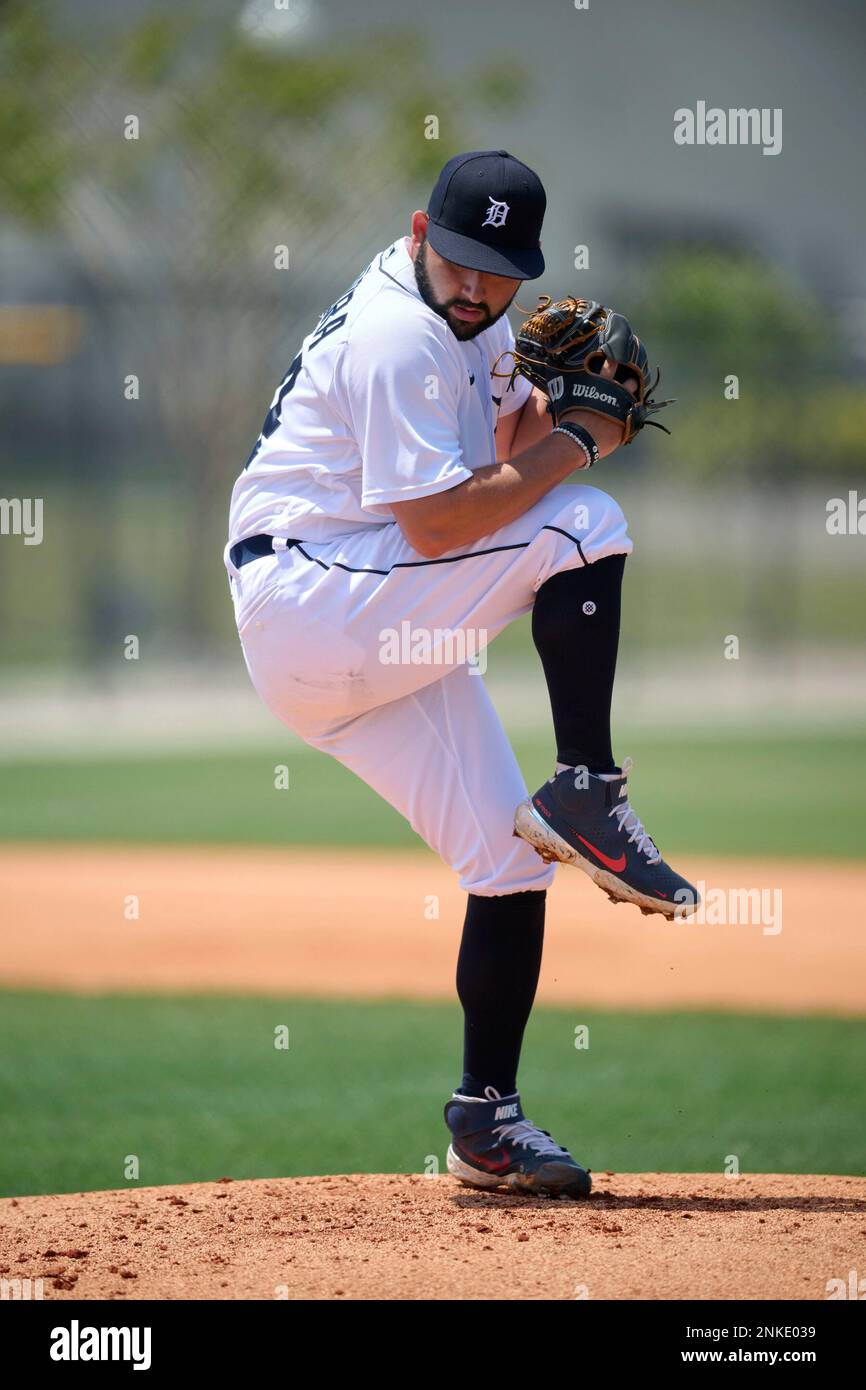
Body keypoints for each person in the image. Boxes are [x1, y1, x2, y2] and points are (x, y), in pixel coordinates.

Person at [225, 150, 698, 1198]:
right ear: (416, 232)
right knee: (583, 524)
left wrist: (550, 406)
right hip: (316, 601)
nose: (479, 285)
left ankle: (487, 1115)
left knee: (506, 856)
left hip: (361, 616)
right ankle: (588, 786)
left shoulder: (475, 322)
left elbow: (490, 458)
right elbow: (442, 523)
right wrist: (578, 438)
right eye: (462, 258)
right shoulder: (399, 334)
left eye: (500, 266)